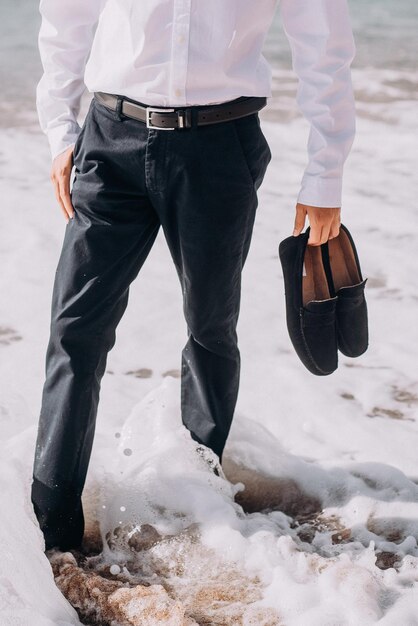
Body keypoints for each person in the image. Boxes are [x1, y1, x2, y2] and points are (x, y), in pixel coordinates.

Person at [31, 0, 357, 551]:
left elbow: (324, 45)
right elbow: (66, 16)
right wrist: (61, 131)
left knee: (210, 329)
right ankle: (50, 530)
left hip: (220, 147)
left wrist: (325, 177)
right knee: (74, 333)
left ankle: (199, 509)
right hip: (110, 141)